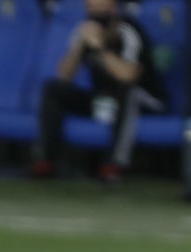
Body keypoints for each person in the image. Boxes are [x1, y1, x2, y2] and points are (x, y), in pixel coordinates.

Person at [27, 0, 164, 186]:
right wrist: (79, 45)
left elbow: (127, 76)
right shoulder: (86, 30)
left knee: (128, 93)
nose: (95, 13)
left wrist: (100, 47)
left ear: (114, 8)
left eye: (100, 8)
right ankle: (46, 160)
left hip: (145, 100)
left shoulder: (129, 31)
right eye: (90, 8)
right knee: (53, 88)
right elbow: (64, 75)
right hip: (104, 100)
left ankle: (114, 165)